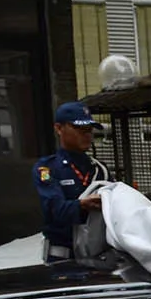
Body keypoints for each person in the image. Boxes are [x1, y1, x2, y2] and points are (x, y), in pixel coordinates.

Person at [35, 101, 107, 262]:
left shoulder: (99, 169)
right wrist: (81, 205)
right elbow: (55, 210)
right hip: (63, 260)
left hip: (100, 257)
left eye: (89, 130)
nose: (87, 134)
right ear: (59, 129)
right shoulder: (47, 169)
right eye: (79, 129)